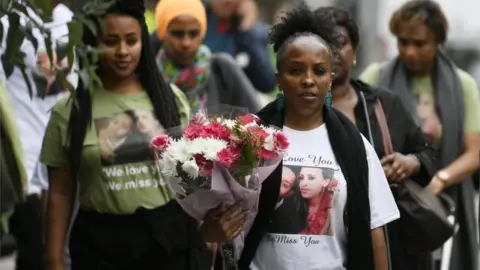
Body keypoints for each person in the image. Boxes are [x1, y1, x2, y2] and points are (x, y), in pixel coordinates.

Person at [40, 1, 247, 269]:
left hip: (168, 244)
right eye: (111, 40)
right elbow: (60, 191)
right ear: (93, 43)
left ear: (143, 42)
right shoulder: (69, 111)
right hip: (99, 247)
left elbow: (192, 180)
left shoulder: (170, 101)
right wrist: (53, 258)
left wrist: (208, 232)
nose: (123, 51)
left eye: (131, 40)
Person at [236, 3, 400, 270]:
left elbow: (375, 232)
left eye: (319, 71)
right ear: (278, 79)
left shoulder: (354, 146)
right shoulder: (252, 137)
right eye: (296, 70)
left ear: (330, 79)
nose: (308, 80)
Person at [314, 6, 437, 270]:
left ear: (355, 52)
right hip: (319, 242)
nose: (333, 51)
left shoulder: (383, 105)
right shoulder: (294, 111)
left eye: (341, 43)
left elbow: (428, 153)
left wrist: (410, 162)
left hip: (388, 242)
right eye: (323, 43)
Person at [360, 1, 480, 269]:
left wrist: (439, 180)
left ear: (437, 40)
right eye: (403, 42)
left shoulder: (463, 86)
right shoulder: (376, 78)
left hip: (444, 204)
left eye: (419, 43)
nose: (410, 51)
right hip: (389, 204)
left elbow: (474, 152)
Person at [154, 0, 261, 113]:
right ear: (162, 34)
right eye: (177, 34)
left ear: (203, 33)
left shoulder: (222, 70)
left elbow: (259, 121)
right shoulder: (149, 78)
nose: (186, 43)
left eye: (194, 33)